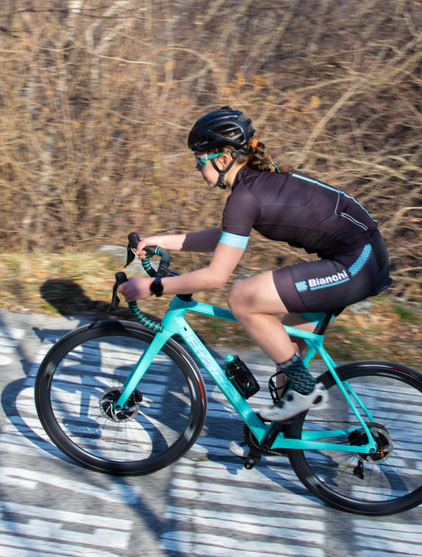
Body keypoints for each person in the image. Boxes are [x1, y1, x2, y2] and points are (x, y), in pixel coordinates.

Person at [119, 106, 391, 421]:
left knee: (242, 296)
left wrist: (153, 286)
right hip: (357, 257)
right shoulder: (256, 182)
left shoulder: (245, 196)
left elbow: (215, 277)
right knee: (287, 344)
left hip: (359, 264)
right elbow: (225, 237)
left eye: (198, 160)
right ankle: (279, 436)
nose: (196, 168)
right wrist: (163, 241)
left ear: (221, 159)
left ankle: (306, 389)